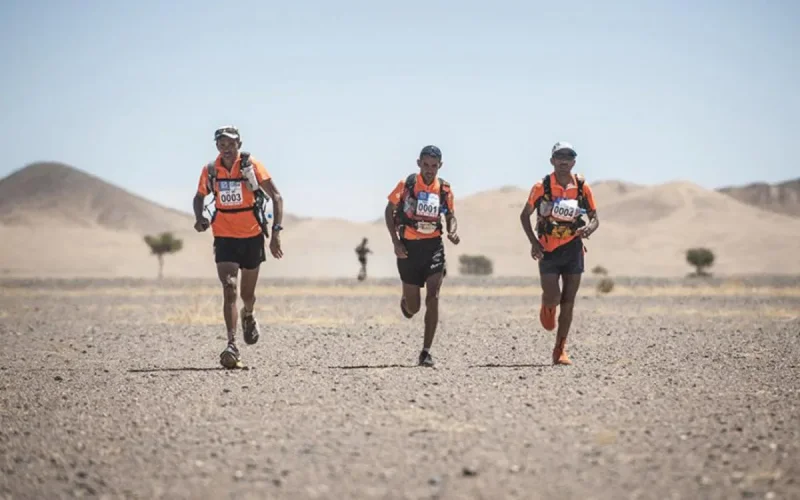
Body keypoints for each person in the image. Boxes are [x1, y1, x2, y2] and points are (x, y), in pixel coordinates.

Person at [192, 125, 285, 369]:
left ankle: (249, 314)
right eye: (222, 145)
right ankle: (231, 344)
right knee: (229, 286)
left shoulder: (252, 166)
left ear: (239, 145)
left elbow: (277, 197)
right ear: (217, 147)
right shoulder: (211, 170)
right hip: (224, 236)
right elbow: (199, 196)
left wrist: (275, 233)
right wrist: (199, 217)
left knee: (247, 295)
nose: (227, 149)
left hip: (252, 236)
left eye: (231, 144)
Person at [519, 141, 599, 366]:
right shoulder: (541, 187)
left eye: (568, 156)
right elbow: (524, 216)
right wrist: (534, 243)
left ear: (574, 161)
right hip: (548, 249)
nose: (564, 161)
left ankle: (560, 349)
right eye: (559, 156)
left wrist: (589, 229)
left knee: (569, 300)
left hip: (573, 248)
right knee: (553, 295)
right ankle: (547, 305)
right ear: (552, 160)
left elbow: (595, 217)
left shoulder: (582, 187)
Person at [384, 145, 460, 367]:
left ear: (440, 166)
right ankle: (406, 303)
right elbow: (389, 211)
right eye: (425, 165)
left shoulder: (444, 189)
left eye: (434, 166)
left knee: (433, 296)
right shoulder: (407, 184)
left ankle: (426, 352)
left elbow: (451, 215)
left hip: (434, 248)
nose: (429, 170)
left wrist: (453, 230)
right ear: (419, 163)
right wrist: (396, 242)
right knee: (414, 307)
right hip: (408, 249)